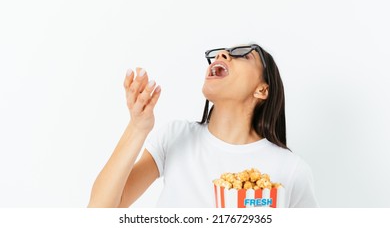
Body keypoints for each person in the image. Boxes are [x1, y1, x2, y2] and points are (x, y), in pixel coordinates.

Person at [87, 43, 319, 208]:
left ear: (262, 89)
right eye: (221, 53)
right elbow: (101, 211)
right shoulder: (175, 137)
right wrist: (138, 127)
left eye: (243, 55)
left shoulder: (291, 170)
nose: (223, 55)